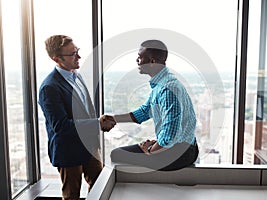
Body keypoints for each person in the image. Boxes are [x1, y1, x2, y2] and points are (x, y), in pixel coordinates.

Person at [38, 35, 116, 199]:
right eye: (73, 54)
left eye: (77, 51)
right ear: (57, 59)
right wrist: (97, 124)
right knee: (71, 195)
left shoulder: (76, 75)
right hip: (69, 151)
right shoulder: (49, 87)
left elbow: (85, 110)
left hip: (89, 147)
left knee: (99, 189)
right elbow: (61, 126)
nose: (79, 56)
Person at [107, 39, 199, 171]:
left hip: (181, 153)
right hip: (175, 147)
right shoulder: (161, 84)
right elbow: (144, 112)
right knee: (117, 154)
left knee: (117, 155)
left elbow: (170, 136)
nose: (137, 61)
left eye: (140, 57)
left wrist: (150, 150)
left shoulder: (168, 89)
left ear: (152, 61)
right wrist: (114, 119)